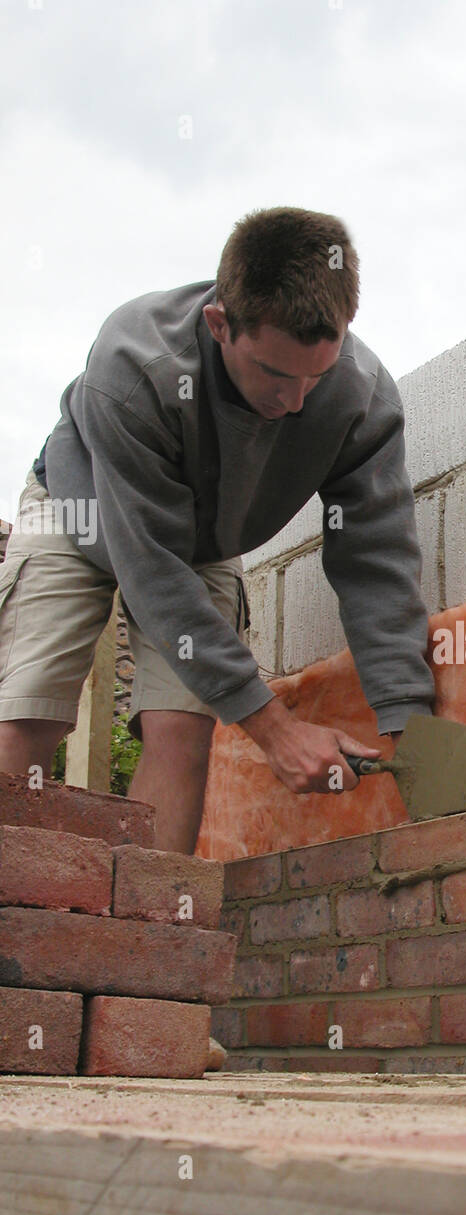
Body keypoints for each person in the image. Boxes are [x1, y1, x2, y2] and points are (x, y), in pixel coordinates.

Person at [0, 207, 435, 853]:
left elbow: (375, 561)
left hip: (201, 540)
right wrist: (278, 731)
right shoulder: (135, 361)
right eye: (275, 374)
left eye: (315, 377)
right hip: (81, 508)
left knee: (181, 726)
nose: (293, 402)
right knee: (29, 713)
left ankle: (146, 928)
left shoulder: (362, 399)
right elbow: (149, 568)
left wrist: (409, 725)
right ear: (219, 324)